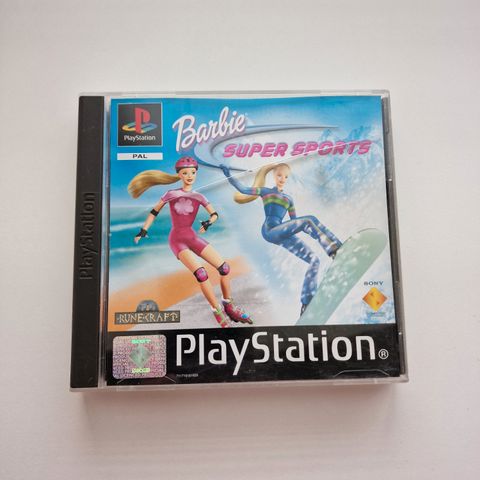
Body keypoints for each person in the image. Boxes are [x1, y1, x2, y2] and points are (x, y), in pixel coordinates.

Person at [128, 156, 252, 327]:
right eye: (185, 173)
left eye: (192, 172)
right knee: (201, 274)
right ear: (179, 175)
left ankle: (228, 305)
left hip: (192, 237)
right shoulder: (171, 194)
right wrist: (144, 230)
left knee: (224, 268)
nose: (189, 176)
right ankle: (217, 311)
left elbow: (214, 214)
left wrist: (208, 222)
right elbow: (154, 212)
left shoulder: (199, 196)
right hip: (177, 240)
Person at [220, 162, 342, 315]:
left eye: (285, 177)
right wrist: (228, 175)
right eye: (279, 175)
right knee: (309, 220)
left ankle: (307, 302)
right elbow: (243, 189)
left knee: (314, 259)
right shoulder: (265, 192)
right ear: (274, 175)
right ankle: (333, 250)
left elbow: (295, 222)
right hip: (270, 230)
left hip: (283, 232)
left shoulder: (288, 199)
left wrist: (302, 232)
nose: (282, 179)